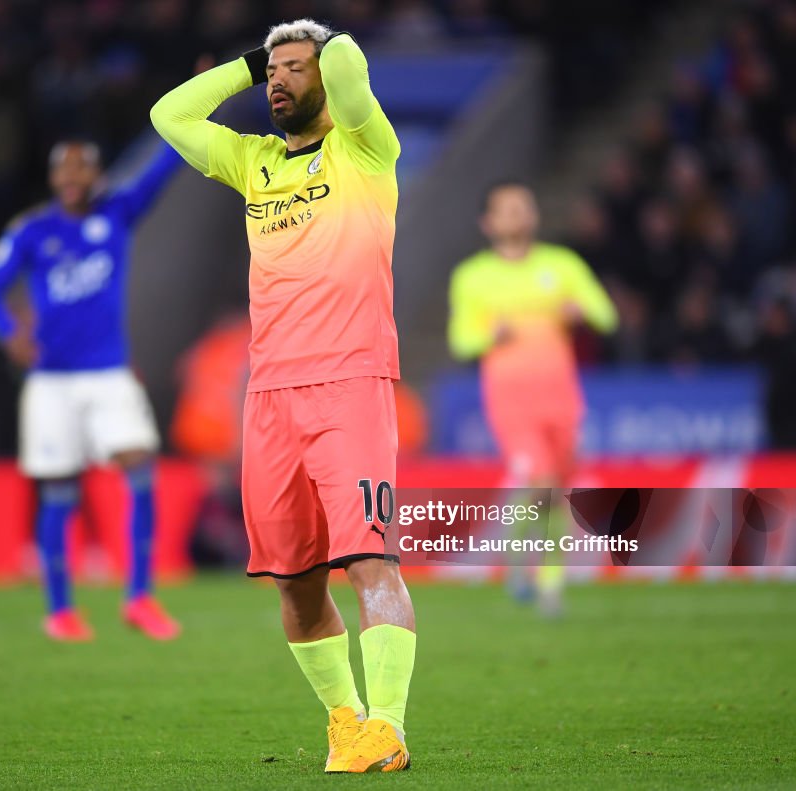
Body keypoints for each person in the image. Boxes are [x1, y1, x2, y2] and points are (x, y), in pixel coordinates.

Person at [151, 18, 416, 774]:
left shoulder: (367, 149)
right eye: (273, 72)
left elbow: (352, 61)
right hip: (268, 396)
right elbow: (167, 116)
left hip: (351, 384)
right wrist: (248, 62)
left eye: (294, 69)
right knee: (295, 586)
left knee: (370, 560)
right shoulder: (252, 163)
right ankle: (347, 722)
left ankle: (389, 725)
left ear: (326, 79)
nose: (278, 80)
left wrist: (313, 42)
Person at [0, 139, 182, 642]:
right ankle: (60, 609)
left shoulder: (117, 213)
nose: (72, 179)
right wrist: (9, 332)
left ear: (96, 176)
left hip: (109, 370)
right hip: (52, 381)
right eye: (64, 171)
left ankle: (138, 596)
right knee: (60, 491)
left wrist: (195, 111)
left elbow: (162, 171)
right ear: (52, 180)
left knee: (140, 467)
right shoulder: (31, 231)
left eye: (81, 170)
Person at [448, 181, 618, 614]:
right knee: (537, 478)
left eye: (523, 207)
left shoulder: (562, 266)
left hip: (560, 395)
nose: (517, 215)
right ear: (488, 223)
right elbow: (461, 341)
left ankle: (539, 571)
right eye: (506, 209)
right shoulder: (472, 276)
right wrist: (491, 334)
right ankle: (537, 577)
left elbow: (606, 314)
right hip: (510, 398)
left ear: (535, 215)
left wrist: (580, 311)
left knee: (556, 489)